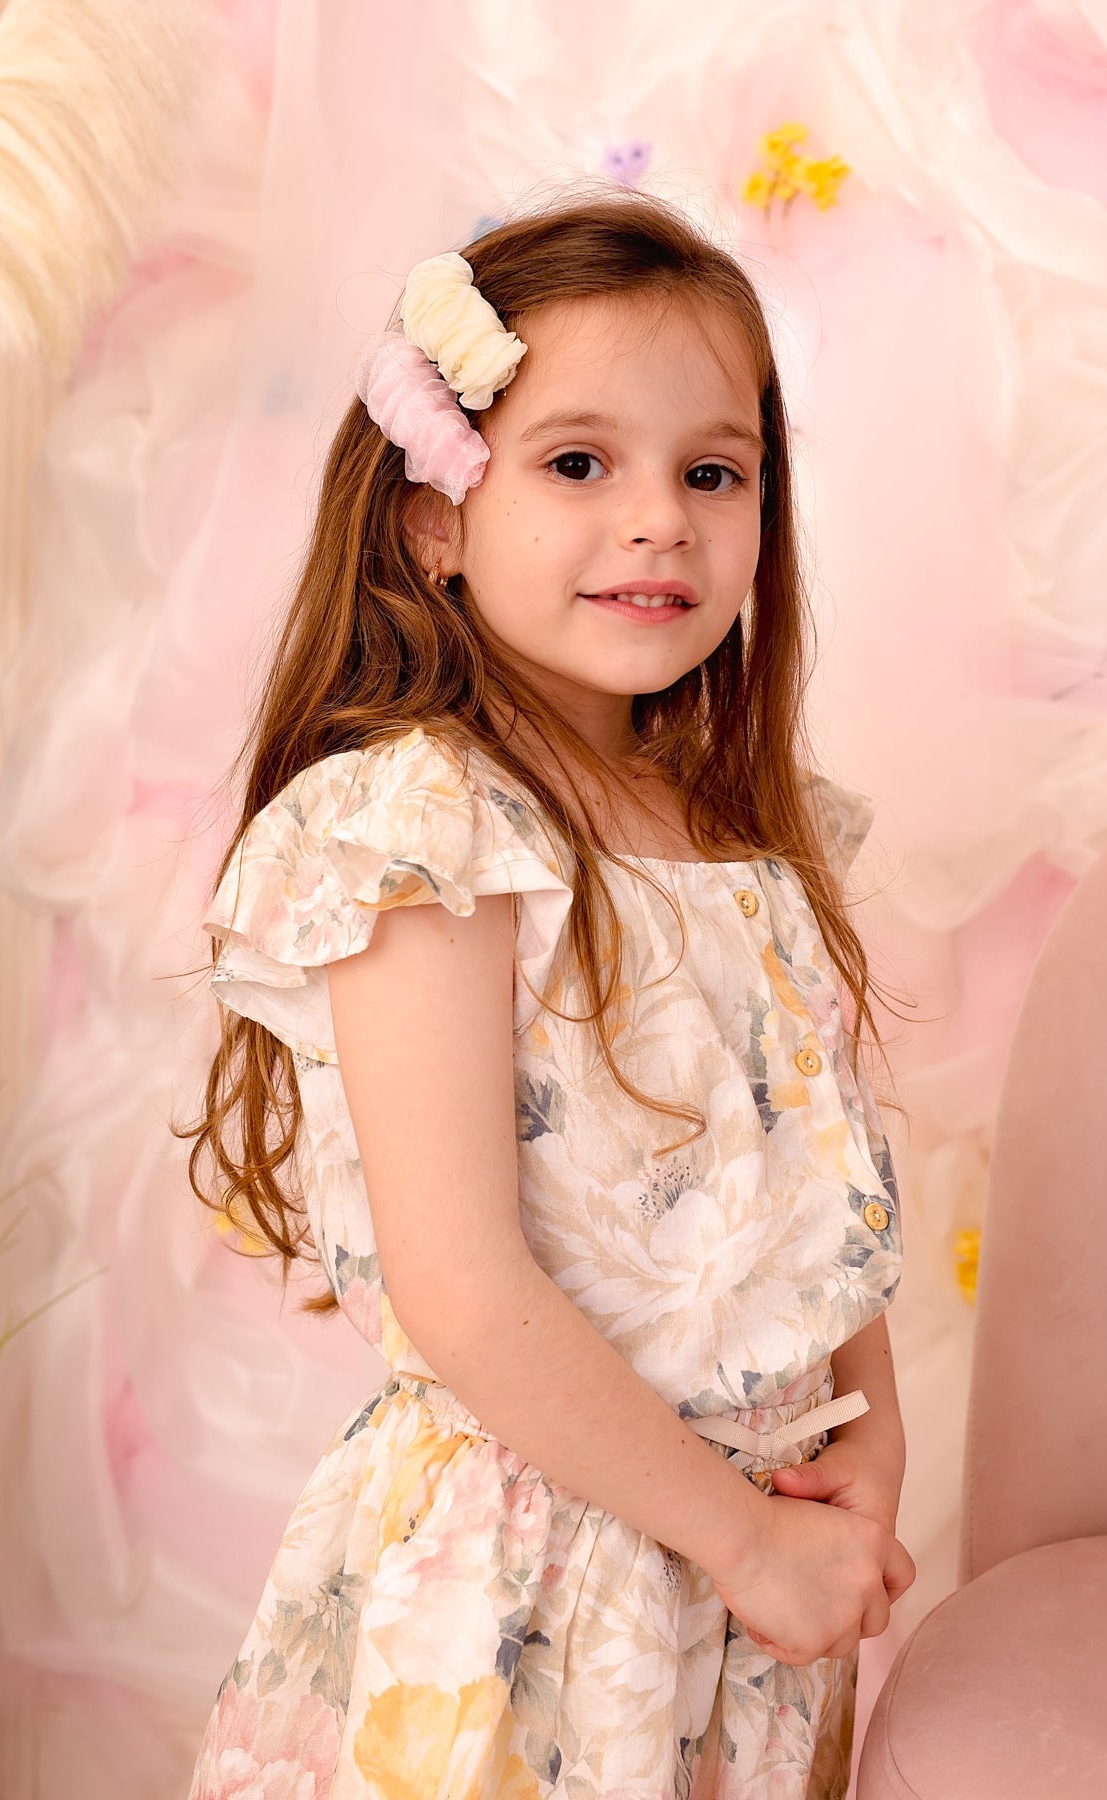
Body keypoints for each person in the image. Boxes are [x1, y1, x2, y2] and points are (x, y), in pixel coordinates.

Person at [179, 184, 916, 1800]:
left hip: (751, 1580)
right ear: (435, 518)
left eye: (712, 472)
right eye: (580, 463)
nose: (659, 520)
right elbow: (464, 1288)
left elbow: (815, 1181)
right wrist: (740, 1540)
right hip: (532, 1584)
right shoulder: (430, 830)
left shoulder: (753, 830)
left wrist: (869, 1429)